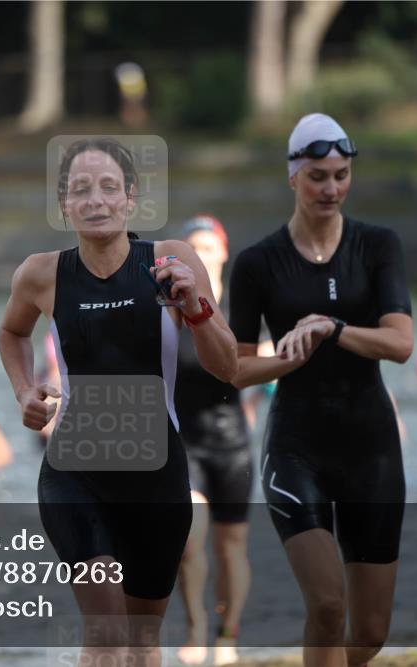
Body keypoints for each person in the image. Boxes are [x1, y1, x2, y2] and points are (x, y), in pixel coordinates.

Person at [0, 137, 237, 666]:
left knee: (141, 642)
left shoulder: (171, 259)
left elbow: (228, 367)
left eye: (109, 187)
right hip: (75, 473)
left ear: (130, 199)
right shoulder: (42, 273)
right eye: (80, 190)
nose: (95, 200)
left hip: (157, 475)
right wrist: (23, 391)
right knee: (105, 632)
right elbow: (11, 333)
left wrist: (195, 307)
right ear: (64, 204)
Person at [229, 114, 413, 667]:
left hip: (372, 447)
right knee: (328, 606)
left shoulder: (378, 246)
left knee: (371, 632)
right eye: (317, 176)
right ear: (292, 177)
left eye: (340, 175)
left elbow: (401, 344)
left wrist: (334, 329)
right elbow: (237, 370)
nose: (331, 188)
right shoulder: (257, 264)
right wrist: (288, 356)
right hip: (296, 448)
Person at [172, 215, 253, 666]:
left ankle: (228, 634)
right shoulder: (171, 309)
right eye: (191, 246)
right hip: (185, 442)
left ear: (222, 252)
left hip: (232, 443)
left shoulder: (241, 309)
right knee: (188, 537)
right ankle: (197, 627)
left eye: (207, 246)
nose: (200, 253)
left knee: (230, 546)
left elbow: (261, 368)